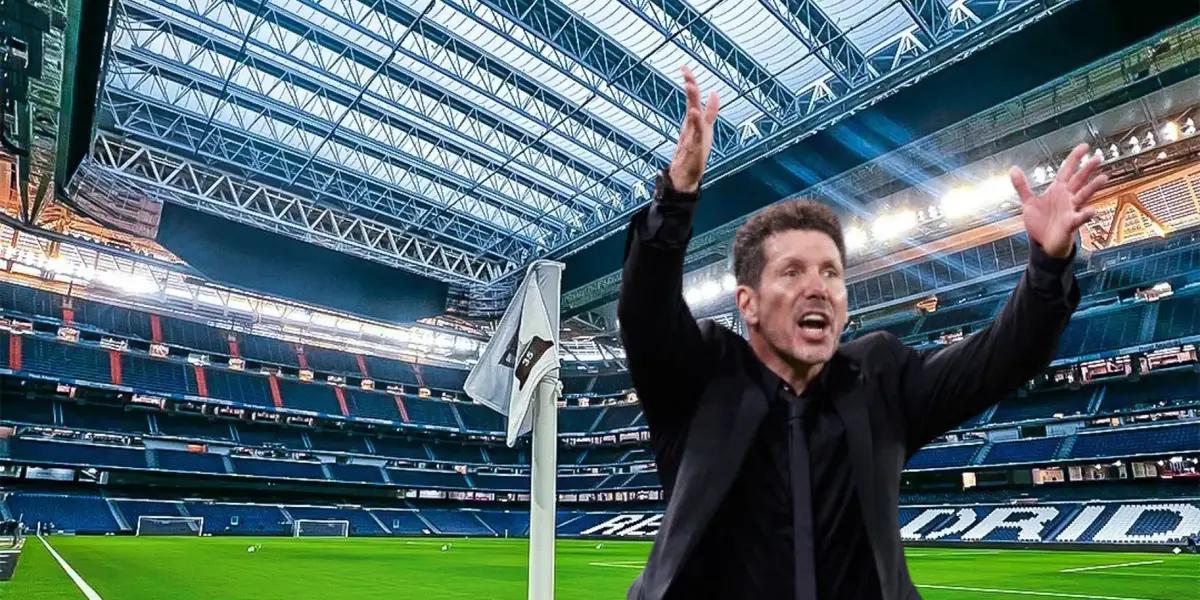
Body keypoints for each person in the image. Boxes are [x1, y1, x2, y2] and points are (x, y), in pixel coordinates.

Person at [618, 67, 1107, 600]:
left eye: (831, 272)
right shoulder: (701, 377)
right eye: (792, 272)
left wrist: (1047, 266)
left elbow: (1004, 357)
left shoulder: (880, 380)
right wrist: (676, 199)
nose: (817, 288)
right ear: (747, 304)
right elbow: (645, 313)